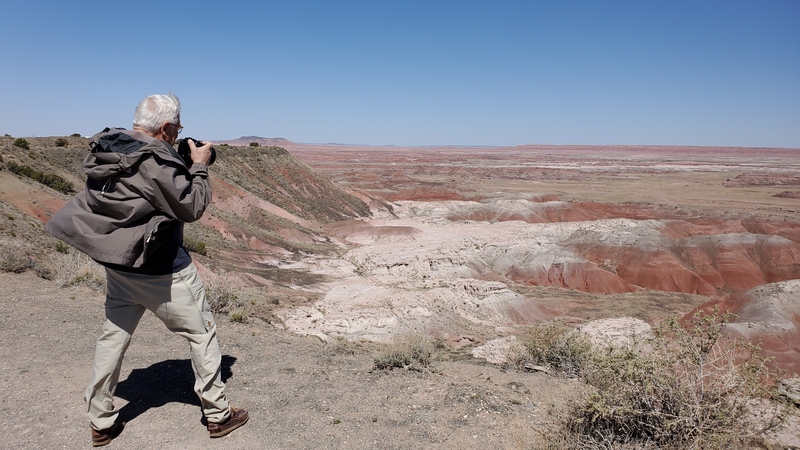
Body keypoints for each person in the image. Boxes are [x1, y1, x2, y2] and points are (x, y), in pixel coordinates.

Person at [45, 93, 248, 446]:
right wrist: (198, 164)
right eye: (178, 128)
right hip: (161, 268)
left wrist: (178, 159)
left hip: (120, 263)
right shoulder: (155, 160)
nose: (178, 134)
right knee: (201, 335)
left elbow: (140, 189)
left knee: (113, 338)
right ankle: (218, 415)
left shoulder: (110, 149)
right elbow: (192, 205)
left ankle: (101, 421)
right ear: (167, 127)